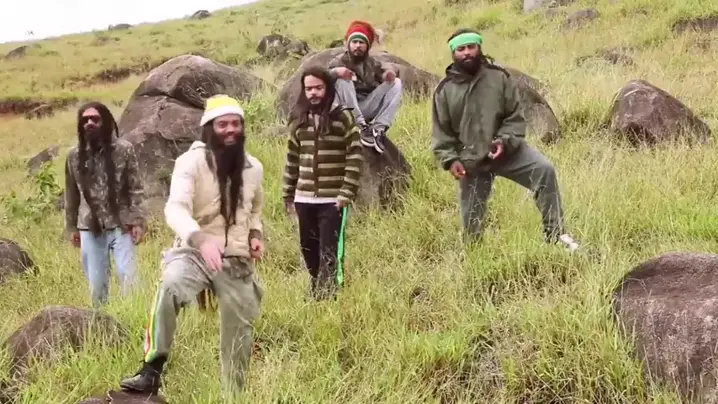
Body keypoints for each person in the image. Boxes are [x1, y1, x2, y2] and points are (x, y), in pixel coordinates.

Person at [119, 94, 266, 398]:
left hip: (236, 258)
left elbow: (255, 211)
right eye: (223, 124)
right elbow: (175, 209)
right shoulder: (191, 162)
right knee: (171, 285)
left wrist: (255, 235)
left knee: (240, 332)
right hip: (194, 250)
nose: (230, 130)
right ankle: (152, 368)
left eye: (236, 124)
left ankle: (233, 395)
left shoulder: (253, 167)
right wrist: (200, 239)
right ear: (209, 128)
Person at [431, 28, 580, 251]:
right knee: (471, 222)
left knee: (544, 170)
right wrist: (451, 160)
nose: (467, 52)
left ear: (479, 48)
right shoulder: (444, 91)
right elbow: (441, 133)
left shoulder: (499, 77)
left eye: (471, 46)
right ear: (453, 53)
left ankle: (556, 236)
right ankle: (474, 254)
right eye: (461, 49)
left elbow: (515, 116)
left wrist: (504, 140)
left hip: (508, 151)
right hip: (471, 160)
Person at [282, 66, 364, 301]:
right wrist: (288, 194)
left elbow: (355, 155)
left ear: (327, 88)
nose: (313, 93)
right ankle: (316, 288)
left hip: (333, 199)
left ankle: (329, 296)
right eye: (309, 88)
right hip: (304, 197)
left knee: (330, 250)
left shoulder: (342, 118)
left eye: (318, 87)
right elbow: (292, 158)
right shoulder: (299, 119)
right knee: (308, 248)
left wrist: (347, 192)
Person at [64, 101, 146, 308]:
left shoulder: (124, 150)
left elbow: (135, 188)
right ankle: (102, 322)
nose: (89, 123)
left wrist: (137, 221)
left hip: (121, 223)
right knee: (97, 285)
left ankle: (135, 317)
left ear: (106, 121)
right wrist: (71, 227)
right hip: (89, 226)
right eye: (85, 120)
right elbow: (71, 194)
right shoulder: (74, 156)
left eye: (95, 119)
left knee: (129, 277)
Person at [328, 20, 402, 155]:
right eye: (354, 42)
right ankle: (360, 126)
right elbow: (322, 78)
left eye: (361, 42)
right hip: (346, 112)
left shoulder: (372, 63)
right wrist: (336, 72)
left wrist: (389, 73)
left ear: (367, 46)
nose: (358, 45)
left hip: (366, 107)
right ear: (348, 44)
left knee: (396, 83)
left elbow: (386, 68)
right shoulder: (338, 61)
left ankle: (378, 129)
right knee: (343, 79)